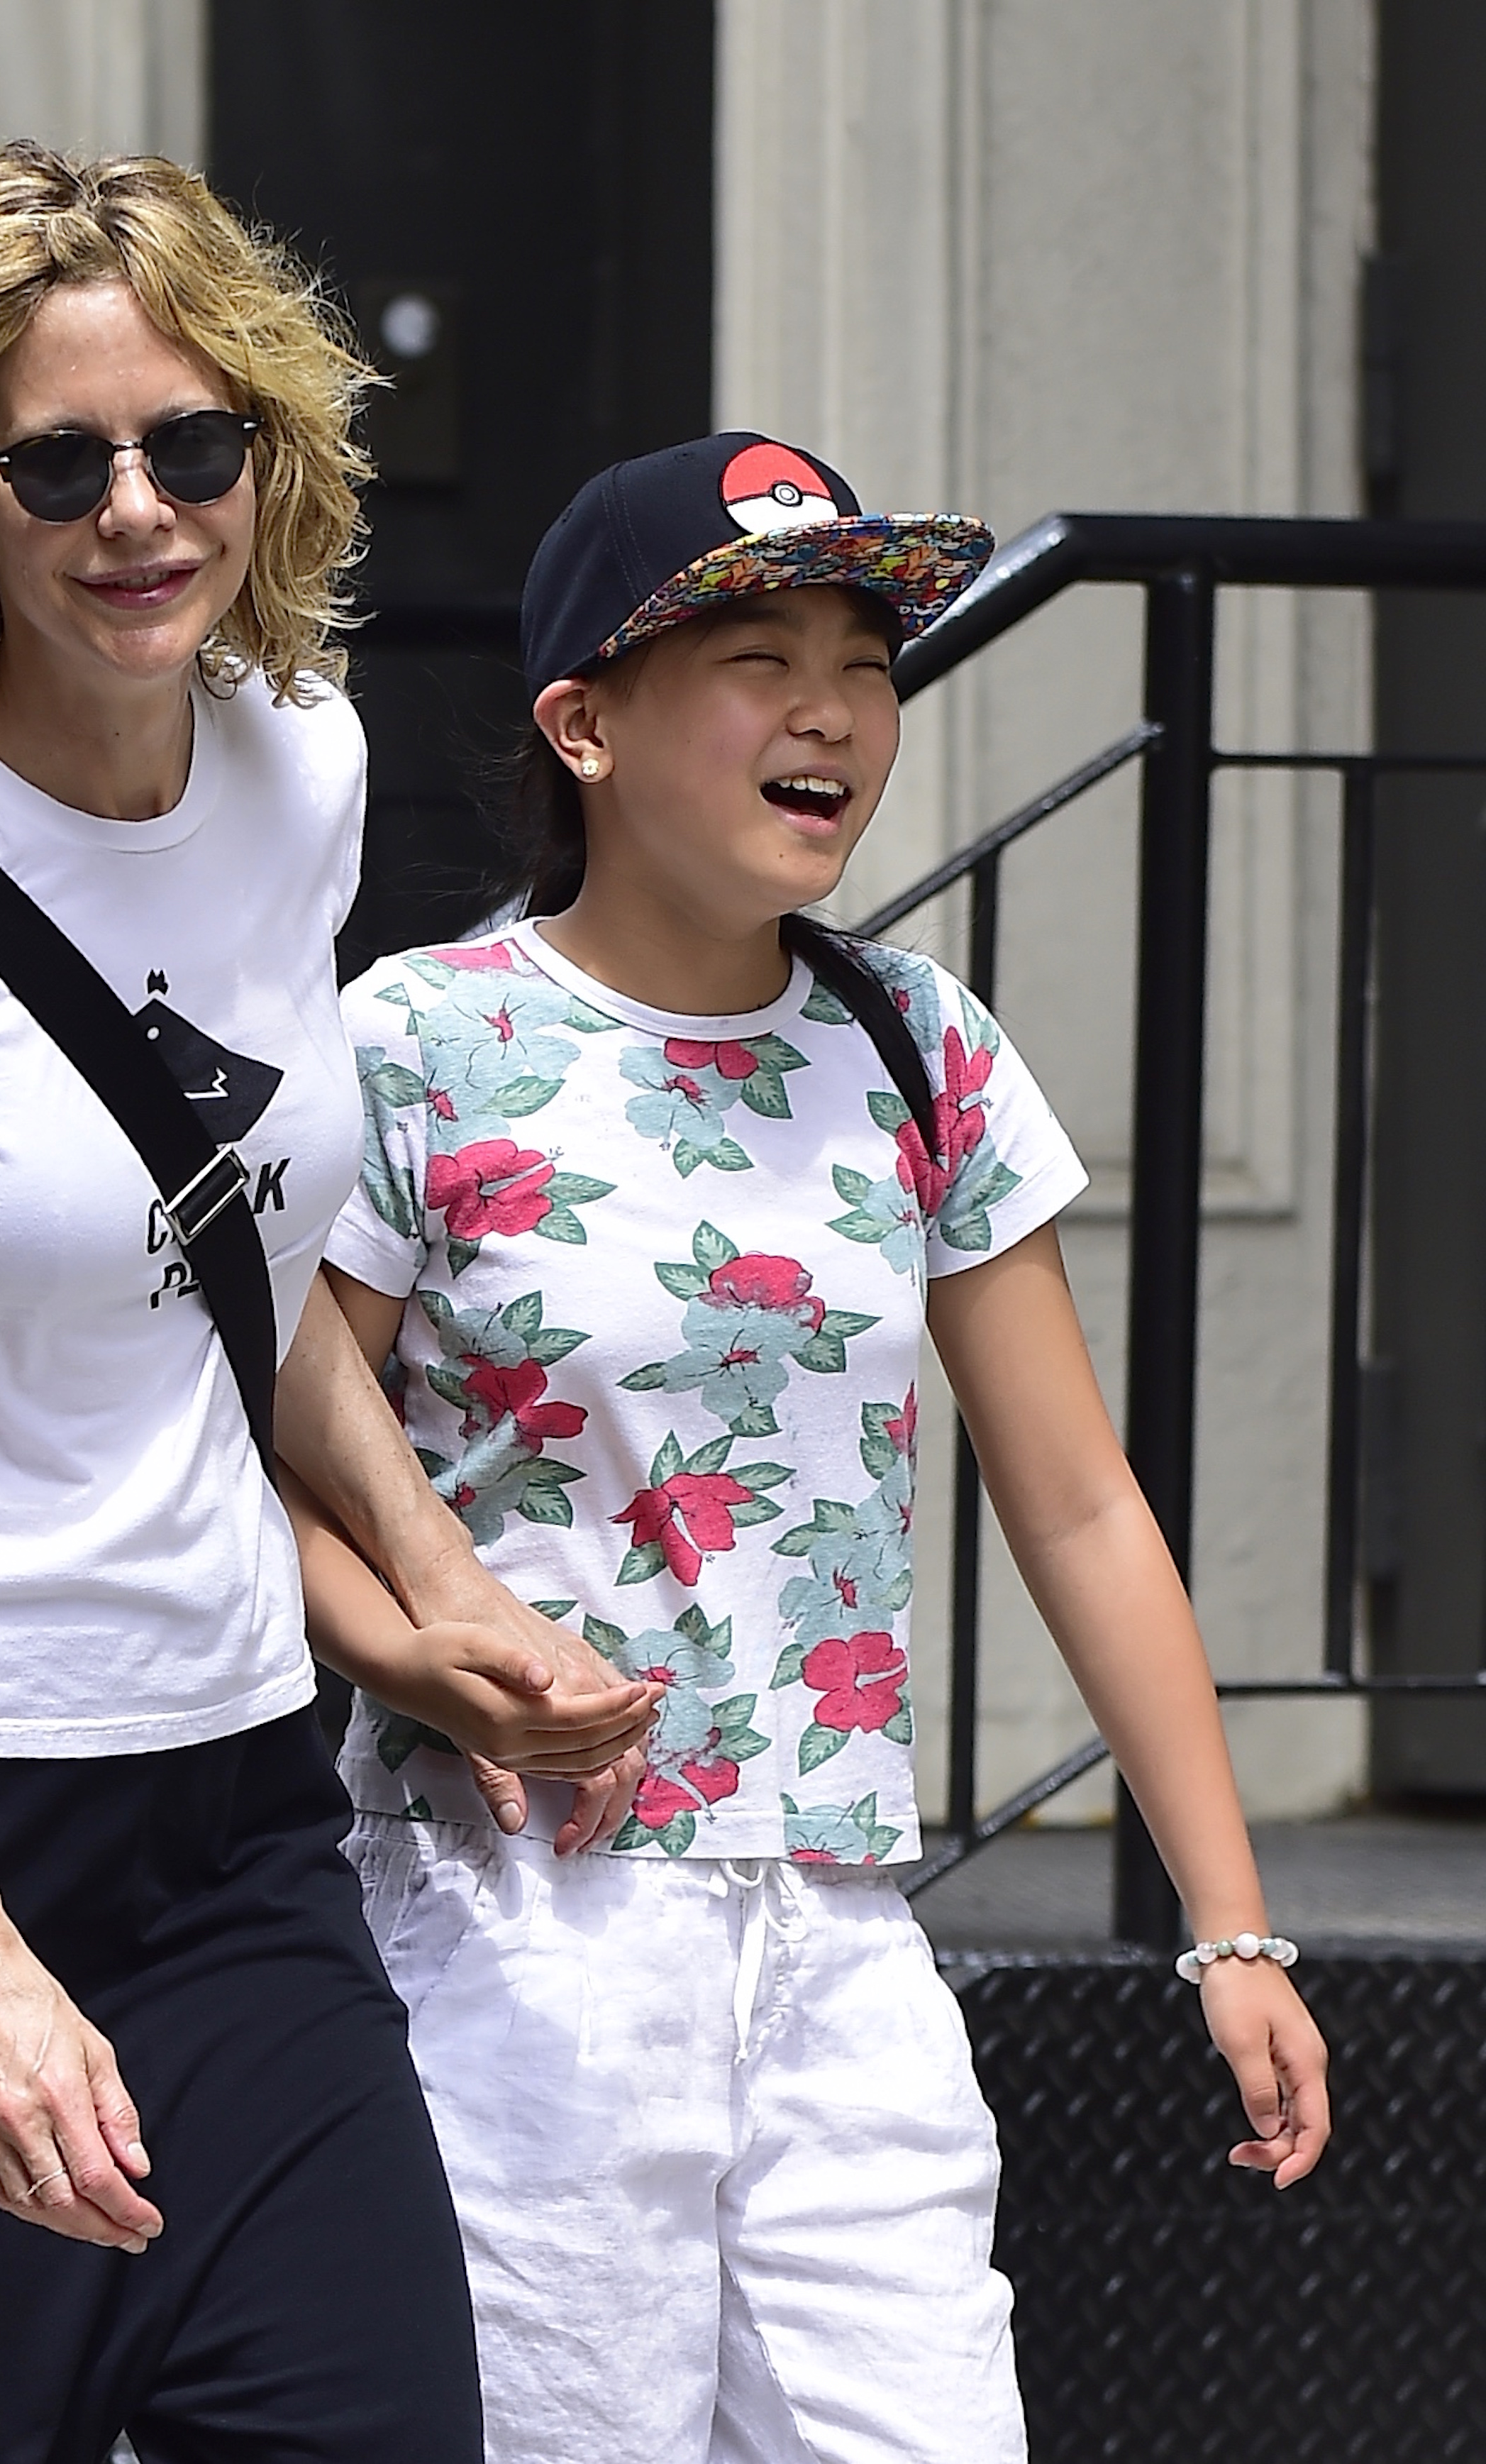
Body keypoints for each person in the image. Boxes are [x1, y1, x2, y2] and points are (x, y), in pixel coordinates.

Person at [0, 143, 654, 2464]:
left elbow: (239, 1242)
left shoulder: (300, 767)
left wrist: (439, 1585)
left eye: (190, 446)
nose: (138, 512)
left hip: (230, 1819)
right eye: (60, 463)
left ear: (264, 461)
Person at [284, 433, 1332, 2464]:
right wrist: (421, 1656)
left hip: (842, 1931)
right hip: (521, 1918)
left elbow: (1079, 1503)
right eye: (758, 658)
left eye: (864, 660)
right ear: (584, 726)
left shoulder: (921, 1048)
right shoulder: (419, 1042)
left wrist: (1231, 1925)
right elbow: (272, 1461)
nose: (835, 710)